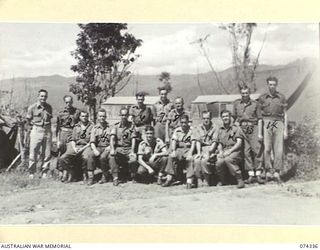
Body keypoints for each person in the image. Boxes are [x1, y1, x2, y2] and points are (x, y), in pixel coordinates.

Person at [259, 76, 288, 183]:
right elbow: (259, 116)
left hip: (278, 122)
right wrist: (260, 132)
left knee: (278, 149)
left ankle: (276, 172)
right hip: (267, 122)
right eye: (270, 84)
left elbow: (285, 114)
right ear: (267, 85)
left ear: (276, 85)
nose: (272, 86)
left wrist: (285, 130)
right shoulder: (262, 98)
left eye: (274, 84)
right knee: (267, 148)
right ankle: (267, 171)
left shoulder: (281, 97)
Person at [233, 87, 264, 184]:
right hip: (242, 129)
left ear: (249, 93)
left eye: (246, 93)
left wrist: (259, 133)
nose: (244, 95)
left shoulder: (255, 104)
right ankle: (251, 175)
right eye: (242, 93)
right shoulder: (237, 104)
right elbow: (234, 118)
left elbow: (259, 119)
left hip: (253, 128)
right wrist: (236, 125)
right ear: (240, 94)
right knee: (246, 152)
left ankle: (258, 174)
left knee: (256, 150)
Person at [58, 110, 93, 183]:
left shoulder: (92, 126)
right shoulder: (76, 127)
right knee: (63, 158)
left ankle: (85, 174)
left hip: (86, 146)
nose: (84, 118)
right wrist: (74, 148)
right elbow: (73, 139)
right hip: (76, 146)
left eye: (86, 116)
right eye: (82, 116)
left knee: (86, 157)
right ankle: (71, 171)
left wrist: (82, 149)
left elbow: (91, 141)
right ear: (79, 117)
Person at [213, 110, 245, 189]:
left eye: (227, 116)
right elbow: (219, 143)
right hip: (224, 150)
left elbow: (239, 143)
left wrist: (230, 151)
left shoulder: (236, 128)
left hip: (235, 150)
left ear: (230, 117)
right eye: (223, 117)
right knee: (219, 162)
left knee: (228, 159)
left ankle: (239, 179)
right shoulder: (220, 129)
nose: (225, 118)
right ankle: (223, 180)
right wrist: (220, 152)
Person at [163, 115, 196, 188]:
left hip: (188, 149)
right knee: (171, 157)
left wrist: (190, 153)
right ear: (180, 123)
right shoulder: (177, 130)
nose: (184, 124)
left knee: (190, 159)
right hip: (179, 149)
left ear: (188, 122)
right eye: (182, 122)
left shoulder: (191, 130)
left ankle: (189, 181)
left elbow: (193, 143)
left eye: (185, 122)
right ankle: (169, 178)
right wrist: (174, 151)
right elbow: (174, 141)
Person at [26, 89, 53, 178]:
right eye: (41, 96)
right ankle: (31, 172)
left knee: (47, 153)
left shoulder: (49, 107)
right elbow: (28, 120)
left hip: (47, 131)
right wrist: (31, 130)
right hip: (36, 130)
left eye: (45, 96)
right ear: (38, 97)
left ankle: (44, 172)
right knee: (33, 151)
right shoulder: (32, 107)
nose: (43, 98)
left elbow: (50, 119)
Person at [109, 107, 137, 183]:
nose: (124, 117)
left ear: (128, 115)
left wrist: (132, 151)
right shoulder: (115, 126)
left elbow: (133, 139)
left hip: (128, 148)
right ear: (120, 115)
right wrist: (112, 149)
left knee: (133, 159)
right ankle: (115, 178)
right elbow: (112, 139)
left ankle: (133, 176)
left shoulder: (131, 126)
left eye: (125, 115)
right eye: (122, 115)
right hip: (119, 148)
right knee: (112, 157)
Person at [89, 109, 114, 186]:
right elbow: (92, 142)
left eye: (103, 116)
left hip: (107, 147)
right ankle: (91, 177)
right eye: (100, 116)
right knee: (90, 156)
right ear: (97, 117)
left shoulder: (110, 127)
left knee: (103, 158)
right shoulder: (95, 128)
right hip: (98, 147)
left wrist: (110, 146)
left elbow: (113, 140)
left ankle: (105, 175)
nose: (102, 118)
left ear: (106, 117)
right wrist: (95, 150)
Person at [56, 95, 80, 176]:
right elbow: (58, 127)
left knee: (70, 152)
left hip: (73, 133)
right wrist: (58, 140)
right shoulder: (60, 113)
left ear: (72, 102)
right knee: (61, 152)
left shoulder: (77, 112)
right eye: (66, 102)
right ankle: (60, 170)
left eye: (70, 102)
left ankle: (70, 171)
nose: (68, 104)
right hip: (63, 133)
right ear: (64, 102)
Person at [193, 111, 218, 186]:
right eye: (204, 118)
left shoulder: (215, 127)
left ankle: (207, 179)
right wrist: (198, 152)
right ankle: (199, 179)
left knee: (204, 160)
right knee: (197, 160)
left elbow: (215, 142)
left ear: (210, 118)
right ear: (202, 119)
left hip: (211, 148)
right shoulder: (198, 127)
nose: (206, 120)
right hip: (201, 148)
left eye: (207, 118)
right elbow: (198, 141)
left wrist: (209, 152)